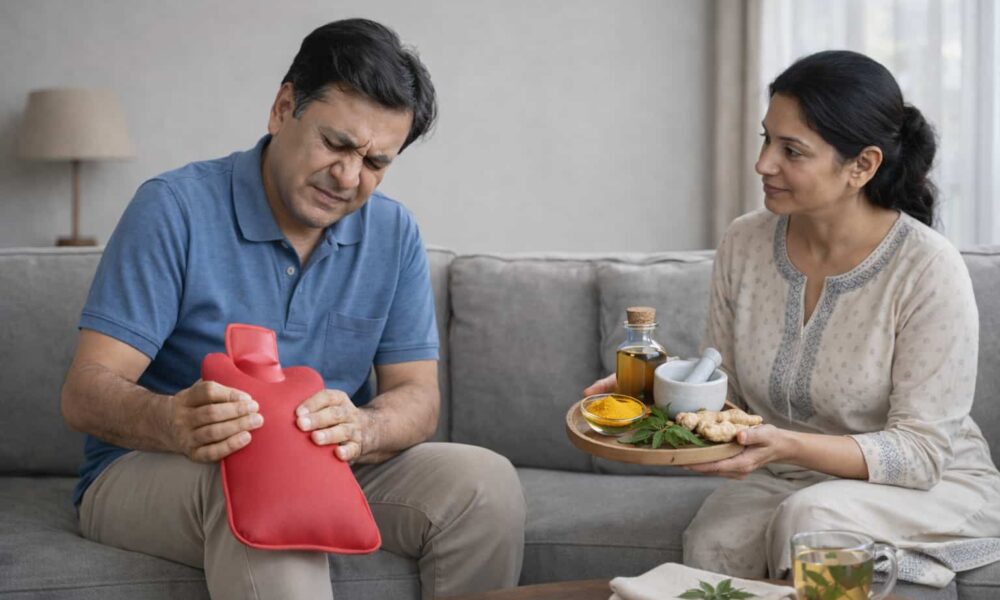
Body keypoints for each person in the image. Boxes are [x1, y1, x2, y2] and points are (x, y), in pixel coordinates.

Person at [61, 19, 525, 600]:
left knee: (484, 483)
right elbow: (85, 391)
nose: (349, 178)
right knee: (268, 485)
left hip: (326, 464)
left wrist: (365, 425)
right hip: (154, 465)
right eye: (337, 144)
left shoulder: (394, 231)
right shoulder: (173, 208)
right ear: (283, 108)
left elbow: (417, 395)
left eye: (376, 162)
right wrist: (172, 420)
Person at [585, 50, 1000, 589]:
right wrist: (657, 389)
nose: (763, 164)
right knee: (714, 541)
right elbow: (724, 381)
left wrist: (787, 443)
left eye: (792, 150)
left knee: (814, 521)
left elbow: (920, 454)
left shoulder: (927, 268)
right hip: (784, 474)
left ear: (862, 166)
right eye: (766, 139)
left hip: (926, 486)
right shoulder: (744, 241)